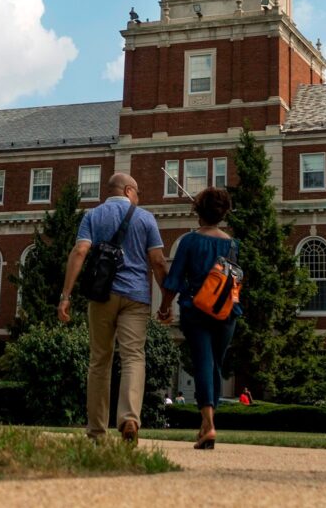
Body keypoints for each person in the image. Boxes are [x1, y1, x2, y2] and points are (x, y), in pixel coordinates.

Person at [59, 172, 168, 442]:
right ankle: (130, 418)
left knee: (99, 361)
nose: (139, 197)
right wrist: (166, 300)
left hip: (101, 296)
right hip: (136, 297)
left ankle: (97, 431)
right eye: (138, 192)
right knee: (133, 357)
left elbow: (80, 251)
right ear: (129, 190)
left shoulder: (92, 216)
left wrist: (66, 295)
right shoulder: (145, 218)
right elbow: (157, 262)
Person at [158, 187, 240, 450]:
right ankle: (208, 424)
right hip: (227, 312)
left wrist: (164, 307)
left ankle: (208, 424)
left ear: (197, 212)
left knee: (204, 362)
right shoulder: (232, 244)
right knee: (215, 364)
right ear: (223, 213)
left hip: (196, 309)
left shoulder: (190, 241)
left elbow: (174, 279)